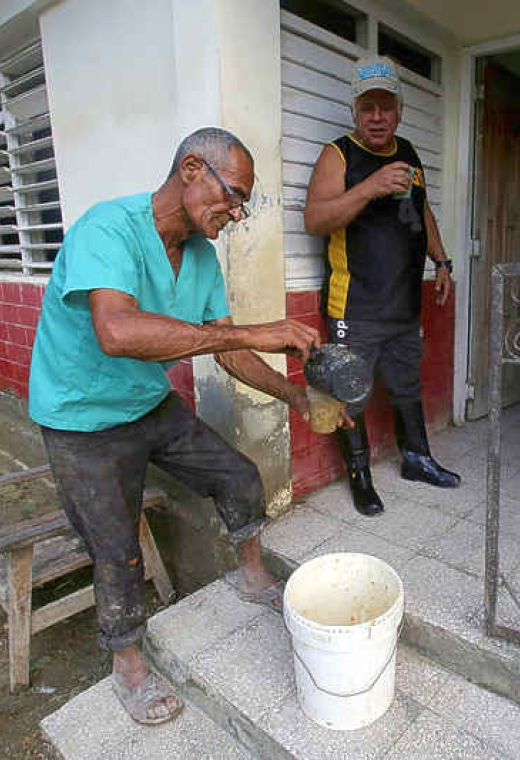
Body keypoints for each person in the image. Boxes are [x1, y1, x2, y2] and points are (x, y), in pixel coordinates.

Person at [28, 128, 322, 725]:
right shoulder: (106, 228)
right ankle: (129, 665)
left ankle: (251, 573)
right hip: (81, 418)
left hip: (145, 403)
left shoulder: (201, 257)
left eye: (242, 203)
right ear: (192, 169)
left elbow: (229, 351)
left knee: (237, 474)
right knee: (117, 548)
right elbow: (118, 332)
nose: (237, 213)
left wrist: (293, 393)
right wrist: (253, 331)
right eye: (233, 195)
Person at [303, 56, 459, 517]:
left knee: (407, 386)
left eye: (385, 107)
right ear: (355, 110)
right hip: (356, 303)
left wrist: (442, 261)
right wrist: (368, 186)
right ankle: (361, 478)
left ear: (399, 111)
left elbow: (423, 211)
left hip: (404, 303)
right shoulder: (339, 154)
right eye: (368, 106)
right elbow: (315, 219)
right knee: (350, 391)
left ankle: (417, 458)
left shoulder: (409, 153)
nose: (376, 116)